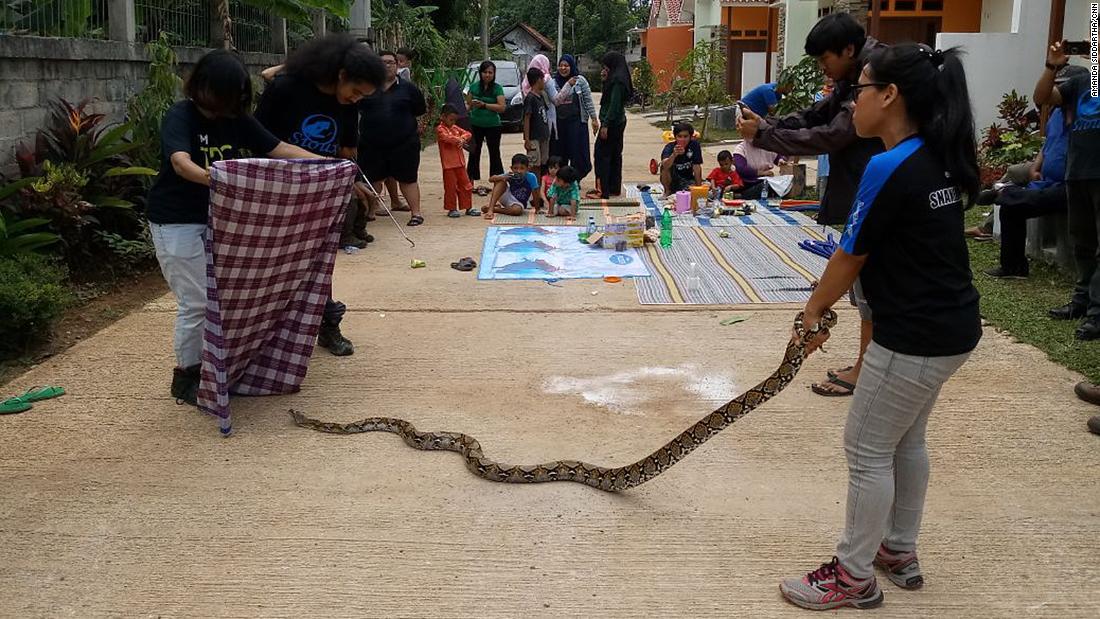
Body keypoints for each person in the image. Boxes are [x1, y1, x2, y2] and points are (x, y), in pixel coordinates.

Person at [779, 44, 982, 611]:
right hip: (954, 327)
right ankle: (898, 548)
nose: (851, 103)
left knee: (866, 447)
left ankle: (853, 575)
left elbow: (850, 255)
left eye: (860, 90)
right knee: (906, 440)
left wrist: (812, 312)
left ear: (889, 95)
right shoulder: (934, 155)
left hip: (913, 336)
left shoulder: (888, 166)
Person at [147, 50, 322, 405]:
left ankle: (219, 366)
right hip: (175, 221)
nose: (227, 106)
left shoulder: (237, 118)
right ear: (203, 88)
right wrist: (220, 179)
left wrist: (331, 165)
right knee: (198, 301)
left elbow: (279, 149)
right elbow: (180, 163)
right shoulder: (181, 116)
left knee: (229, 298)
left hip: (219, 218)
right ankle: (187, 374)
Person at [738, 12, 885, 397]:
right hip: (870, 181)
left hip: (882, 187)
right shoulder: (855, 75)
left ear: (848, 50)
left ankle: (868, 371)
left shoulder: (875, 73)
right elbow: (819, 115)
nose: (823, 68)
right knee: (867, 282)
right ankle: (868, 365)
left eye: (825, 59)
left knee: (871, 280)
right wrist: (769, 126)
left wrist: (765, 135)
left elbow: (834, 134)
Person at [253, 34, 386, 358]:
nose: (356, 99)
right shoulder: (286, 89)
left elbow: (346, 151)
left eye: (363, 96)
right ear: (341, 75)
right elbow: (255, 137)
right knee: (274, 268)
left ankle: (327, 326)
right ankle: (264, 337)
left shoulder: (347, 106)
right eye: (355, 91)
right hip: (277, 192)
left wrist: (352, 180)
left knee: (318, 264)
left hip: (320, 196)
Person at [1034, 41, 1100, 341]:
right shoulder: (1080, 82)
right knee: (1082, 242)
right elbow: (1042, 97)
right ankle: (1081, 300)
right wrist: (1052, 66)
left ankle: (1097, 314)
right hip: (1078, 172)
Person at [984, 105, 1072, 278]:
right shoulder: (1056, 113)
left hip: (1072, 187)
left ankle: (1003, 192)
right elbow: (1048, 144)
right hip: (1046, 183)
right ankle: (1013, 268)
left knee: (1013, 197)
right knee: (1011, 207)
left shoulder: (1089, 109)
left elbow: (1094, 89)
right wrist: (1035, 167)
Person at [358, 50, 427, 226]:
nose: (387, 66)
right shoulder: (366, 88)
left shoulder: (409, 88)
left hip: (404, 144)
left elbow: (420, 109)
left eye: (391, 62)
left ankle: (416, 213)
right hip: (372, 144)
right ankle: (369, 212)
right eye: (382, 62)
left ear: (397, 66)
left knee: (408, 179)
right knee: (372, 179)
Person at [550, 54, 598, 180]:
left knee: (578, 154)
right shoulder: (553, 83)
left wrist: (594, 118)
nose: (563, 68)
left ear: (572, 66)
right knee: (560, 154)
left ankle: (575, 180)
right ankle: (562, 180)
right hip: (559, 125)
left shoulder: (580, 81)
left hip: (577, 124)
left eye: (566, 65)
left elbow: (587, 100)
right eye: (561, 65)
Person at [594, 51, 633, 199]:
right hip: (618, 122)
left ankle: (603, 190)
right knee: (615, 155)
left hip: (612, 123)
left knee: (602, 155)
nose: (604, 70)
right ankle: (613, 188)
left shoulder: (617, 81)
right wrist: (605, 80)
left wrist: (605, 125)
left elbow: (614, 105)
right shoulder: (617, 78)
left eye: (606, 67)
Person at [466, 61, 506, 184]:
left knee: (494, 153)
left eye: (490, 72)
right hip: (475, 124)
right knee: (474, 152)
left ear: (494, 74)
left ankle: (497, 182)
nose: (487, 75)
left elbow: (502, 107)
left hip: (493, 125)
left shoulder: (497, 88)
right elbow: (468, 105)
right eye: (485, 72)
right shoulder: (474, 87)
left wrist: (485, 105)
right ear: (480, 73)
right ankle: (470, 181)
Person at [435, 104, 476, 218]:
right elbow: (446, 138)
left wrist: (462, 139)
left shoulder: (455, 128)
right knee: (450, 187)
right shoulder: (440, 129)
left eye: (454, 120)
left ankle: (468, 207)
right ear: (443, 117)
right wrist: (460, 139)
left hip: (460, 163)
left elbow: (468, 133)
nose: (453, 122)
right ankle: (451, 208)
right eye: (451, 119)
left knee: (466, 185)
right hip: (448, 164)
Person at [482, 153, 543, 218]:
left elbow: (535, 193)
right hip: (507, 197)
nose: (518, 171)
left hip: (518, 203)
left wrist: (537, 209)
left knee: (517, 211)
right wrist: (503, 177)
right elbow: (491, 179)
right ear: (511, 168)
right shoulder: (510, 175)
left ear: (528, 169)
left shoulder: (531, 177)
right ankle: (490, 209)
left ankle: (496, 209)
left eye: (522, 168)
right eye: (515, 168)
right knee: (500, 181)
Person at [659, 122, 703, 195]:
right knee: (664, 166)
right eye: (679, 136)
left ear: (690, 137)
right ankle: (667, 191)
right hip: (672, 179)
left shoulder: (694, 146)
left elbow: (697, 166)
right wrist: (674, 155)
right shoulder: (669, 147)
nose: (683, 139)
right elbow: (665, 165)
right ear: (675, 137)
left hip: (687, 179)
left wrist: (699, 188)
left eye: (685, 136)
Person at [523, 68, 551, 173]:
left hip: (544, 136)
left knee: (543, 163)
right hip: (534, 137)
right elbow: (527, 118)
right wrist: (527, 139)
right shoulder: (530, 98)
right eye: (543, 79)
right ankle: (535, 183)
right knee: (534, 165)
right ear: (539, 80)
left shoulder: (542, 96)